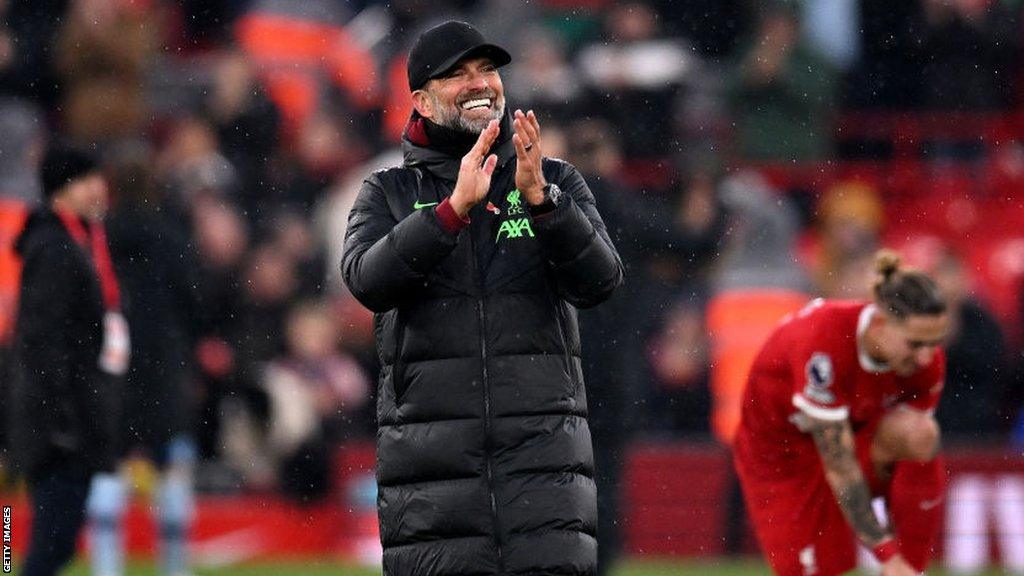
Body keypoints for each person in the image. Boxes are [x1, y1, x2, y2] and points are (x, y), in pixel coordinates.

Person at [341, 20, 623, 576]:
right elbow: (367, 281)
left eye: (487, 70)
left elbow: (601, 282)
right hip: (432, 486)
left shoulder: (552, 179)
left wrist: (543, 202)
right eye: (457, 74)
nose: (479, 84)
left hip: (545, 475)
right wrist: (449, 214)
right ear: (420, 99)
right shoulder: (390, 192)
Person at [734, 250, 949, 576]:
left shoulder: (925, 363)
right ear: (879, 324)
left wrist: (902, 561)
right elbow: (841, 466)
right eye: (915, 343)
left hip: (852, 436)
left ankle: (913, 571)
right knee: (816, 570)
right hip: (782, 458)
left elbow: (913, 461)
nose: (924, 358)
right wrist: (885, 553)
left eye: (933, 343)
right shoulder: (824, 342)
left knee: (920, 433)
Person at [6, 143, 127, 576]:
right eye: (87, 181)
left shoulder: (77, 241)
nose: (99, 190)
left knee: (56, 542)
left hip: (68, 415)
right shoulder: (58, 250)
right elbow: (43, 342)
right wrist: (60, 419)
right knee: (49, 544)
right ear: (61, 191)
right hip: (60, 423)